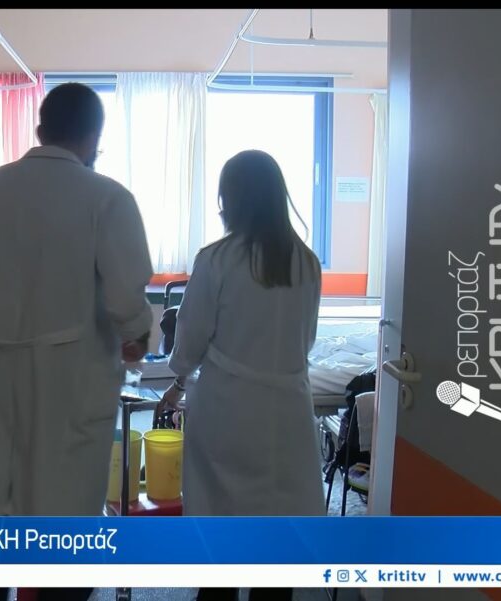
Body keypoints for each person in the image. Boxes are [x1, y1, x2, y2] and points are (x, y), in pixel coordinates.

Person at [0, 83, 154, 601]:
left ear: (40, 129)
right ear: (93, 137)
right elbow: (128, 304)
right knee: (66, 527)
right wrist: (135, 337)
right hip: (71, 383)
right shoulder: (108, 198)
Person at [159, 150, 325, 601]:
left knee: (222, 534)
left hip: (228, 410)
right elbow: (307, 340)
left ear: (230, 199)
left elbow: (191, 337)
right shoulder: (307, 262)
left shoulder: (217, 259)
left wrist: (177, 381)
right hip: (288, 411)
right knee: (278, 542)